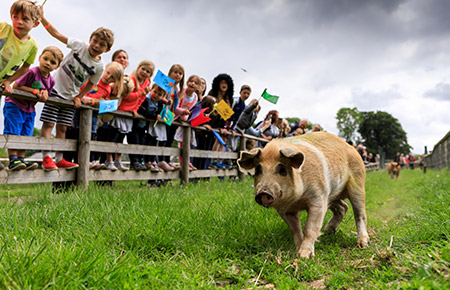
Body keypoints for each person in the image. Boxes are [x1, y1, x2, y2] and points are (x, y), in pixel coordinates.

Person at [39, 8, 113, 170]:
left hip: (70, 96)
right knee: (49, 124)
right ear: (90, 39)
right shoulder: (79, 46)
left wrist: (79, 96)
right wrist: (43, 19)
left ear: (106, 50)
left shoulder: (99, 66)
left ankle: (59, 158)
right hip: (55, 89)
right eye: (95, 41)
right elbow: (57, 34)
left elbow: (91, 84)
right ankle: (46, 157)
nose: (96, 45)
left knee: (63, 127)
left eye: (102, 45)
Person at [4, 46, 63, 170]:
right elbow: (17, 86)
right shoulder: (32, 72)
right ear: (40, 58)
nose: (48, 63)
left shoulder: (51, 81)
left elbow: (46, 93)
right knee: (14, 131)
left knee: (27, 134)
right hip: (15, 105)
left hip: (29, 109)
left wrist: (44, 94)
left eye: (52, 62)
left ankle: (21, 159)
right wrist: (34, 91)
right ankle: (13, 159)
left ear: (57, 67)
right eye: (45, 59)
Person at [64, 62, 124, 170]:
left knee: (91, 135)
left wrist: (93, 101)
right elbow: (80, 88)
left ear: (114, 81)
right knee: (76, 133)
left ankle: (88, 160)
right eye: (108, 73)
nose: (108, 77)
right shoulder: (93, 78)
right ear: (105, 69)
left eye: (112, 78)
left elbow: (103, 103)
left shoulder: (108, 89)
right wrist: (82, 97)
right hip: (79, 110)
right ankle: (71, 163)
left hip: (93, 114)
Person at [108, 60, 154, 171]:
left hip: (130, 112)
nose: (144, 72)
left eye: (148, 71)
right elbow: (127, 96)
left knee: (121, 138)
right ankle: (109, 160)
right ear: (138, 67)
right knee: (113, 138)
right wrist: (141, 92)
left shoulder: (147, 82)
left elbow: (141, 99)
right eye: (143, 69)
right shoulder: (131, 79)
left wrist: (135, 109)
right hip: (121, 110)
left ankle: (118, 160)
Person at [0, 0, 40, 96]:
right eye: (15, 17)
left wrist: (8, 81)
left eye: (25, 19)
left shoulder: (33, 46)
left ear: (35, 24)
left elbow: (25, 67)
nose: (19, 22)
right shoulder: (3, 27)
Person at [133, 84, 167, 172]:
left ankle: (147, 162)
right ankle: (137, 162)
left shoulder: (159, 103)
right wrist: (154, 116)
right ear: (151, 90)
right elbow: (142, 111)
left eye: (159, 94)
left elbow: (160, 111)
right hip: (137, 125)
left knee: (146, 142)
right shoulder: (146, 99)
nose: (156, 95)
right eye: (154, 92)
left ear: (162, 97)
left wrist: (159, 115)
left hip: (146, 127)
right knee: (136, 142)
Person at [204, 73, 234, 169]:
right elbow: (206, 109)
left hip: (219, 128)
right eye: (222, 82)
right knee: (204, 151)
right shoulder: (212, 94)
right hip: (208, 125)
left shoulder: (230, 99)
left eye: (226, 83)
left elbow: (226, 116)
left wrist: (223, 127)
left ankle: (206, 176)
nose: (224, 85)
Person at [159, 64, 185, 171]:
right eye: (175, 72)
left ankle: (167, 160)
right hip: (162, 112)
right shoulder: (167, 83)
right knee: (162, 139)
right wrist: (165, 100)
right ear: (170, 73)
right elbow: (159, 95)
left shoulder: (178, 89)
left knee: (169, 140)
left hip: (170, 115)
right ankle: (161, 160)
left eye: (180, 73)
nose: (177, 75)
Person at [174, 75, 200, 170]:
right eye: (191, 81)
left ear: (198, 87)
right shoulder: (182, 92)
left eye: (196, 83)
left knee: (185, 142)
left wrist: (186, 116)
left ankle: (187, 162)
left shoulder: (195, 97)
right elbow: (176, 105)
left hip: (183, 118)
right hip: (174, 116)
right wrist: (182, 114)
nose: (192, 83)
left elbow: (189, 109)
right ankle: (182, 163)